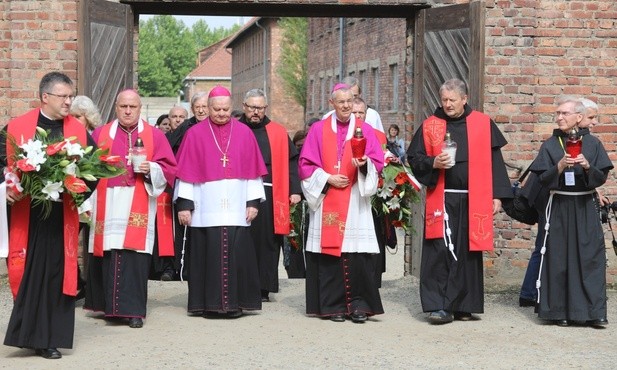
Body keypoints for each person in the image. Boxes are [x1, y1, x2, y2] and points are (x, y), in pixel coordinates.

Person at [2, 72, 96, 359]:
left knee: (56, 274)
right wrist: (7, 185)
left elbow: (94, 170)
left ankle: (50, 338)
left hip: (60, 215)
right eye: (63, 97)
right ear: (45, 97)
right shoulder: (17, 127)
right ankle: (28, 333)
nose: (69, 102)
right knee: (31, 272)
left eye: (71, 96)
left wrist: (77, 187)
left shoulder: (78, 132)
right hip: (26, 213)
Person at [407, 78, 512, 325]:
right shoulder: (430, 125)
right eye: (444, 100)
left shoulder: (482, 124)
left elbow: (495, 161)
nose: (447, 104)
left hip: (473, 198)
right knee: (439, 250)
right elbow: (414, 158)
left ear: (464, 99)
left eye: (452, 100)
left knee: (468, 250)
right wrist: (433, 163)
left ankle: (464, 304)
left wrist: (497, 195)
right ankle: (439, 305)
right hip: (443, 199)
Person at [84, 89, 177, 329]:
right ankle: (108, 308)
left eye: (132, 107)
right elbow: (85, 170)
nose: (127, 111)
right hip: (108, 202)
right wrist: (85, 203)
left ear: (140, 108)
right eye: (123, 106)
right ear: (116, 108)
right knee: (108, 253)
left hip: (139, 200)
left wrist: (152, 169)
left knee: (134, 257)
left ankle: (134, 310)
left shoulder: (155, 135)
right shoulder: (100, 133)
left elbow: (169, 169)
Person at [174, 85, 267, 319]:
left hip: (237, 206)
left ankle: (235, 304)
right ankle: (207, 304)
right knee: (206, 256)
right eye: (216, 110)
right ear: (208, 108)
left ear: (232, 107)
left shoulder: (244, 132)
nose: (222, 114)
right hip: (205, 205)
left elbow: (253, 172)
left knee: (237, 255)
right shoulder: (194, 134)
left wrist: (253, 202)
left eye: (226, 109)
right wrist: (185, 206)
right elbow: (185, 172)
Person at [299, 83, 385, 323]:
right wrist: (327, 178)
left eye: (350, 101)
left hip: (356, 198)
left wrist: (364, 165)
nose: (346, 105)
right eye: (341, 101)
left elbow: (378, 163)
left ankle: (359, 306)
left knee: (357, 256)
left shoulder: (365, 129)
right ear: (332, 103)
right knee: (330, 256)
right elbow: (306, 165)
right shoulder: (318, 130)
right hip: (328, 197)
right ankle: (333, 306)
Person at [518, 97, 607, 308]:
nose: (559, 117)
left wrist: (587, 167)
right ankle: (552, 306)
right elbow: (542, 180)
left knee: (586, 257)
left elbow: (599, 176)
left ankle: (586, 308)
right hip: (557, 207)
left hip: (583, 208)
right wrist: (559, 166)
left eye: (564, 113)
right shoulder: (550, 144)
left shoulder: (593, 144)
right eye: (557, 114)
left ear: (578, 117)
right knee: (553, 255)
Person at [238, 88, 302, 302]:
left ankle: (263, 287)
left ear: (265, 108)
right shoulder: (234, 129)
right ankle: (241, 283)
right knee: (241, 238)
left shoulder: (277, 131)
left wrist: (294, 190)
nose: (256, 112)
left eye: (260, 108)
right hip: (238, 190)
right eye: (252, 107)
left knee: (267, 241)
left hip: (270, 191)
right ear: (244, 106)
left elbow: (291, 162)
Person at [164, 92, 209, 280]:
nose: (201, 110)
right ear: (192, 109)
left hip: (209, 185)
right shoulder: (185, 128)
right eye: (197, 106)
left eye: (204, 106)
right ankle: (182, 268)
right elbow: (169, 151)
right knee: (184, 229)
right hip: (187, 183)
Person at [70, 95, 104, 299]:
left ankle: (86, 284)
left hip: (93, 196)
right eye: (72, 116)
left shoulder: (94, 138)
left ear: (88, 118)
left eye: (78, 116)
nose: (74, 120)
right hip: (77, 198)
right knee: (70, 240)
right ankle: (78, 282)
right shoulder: (71, 137)